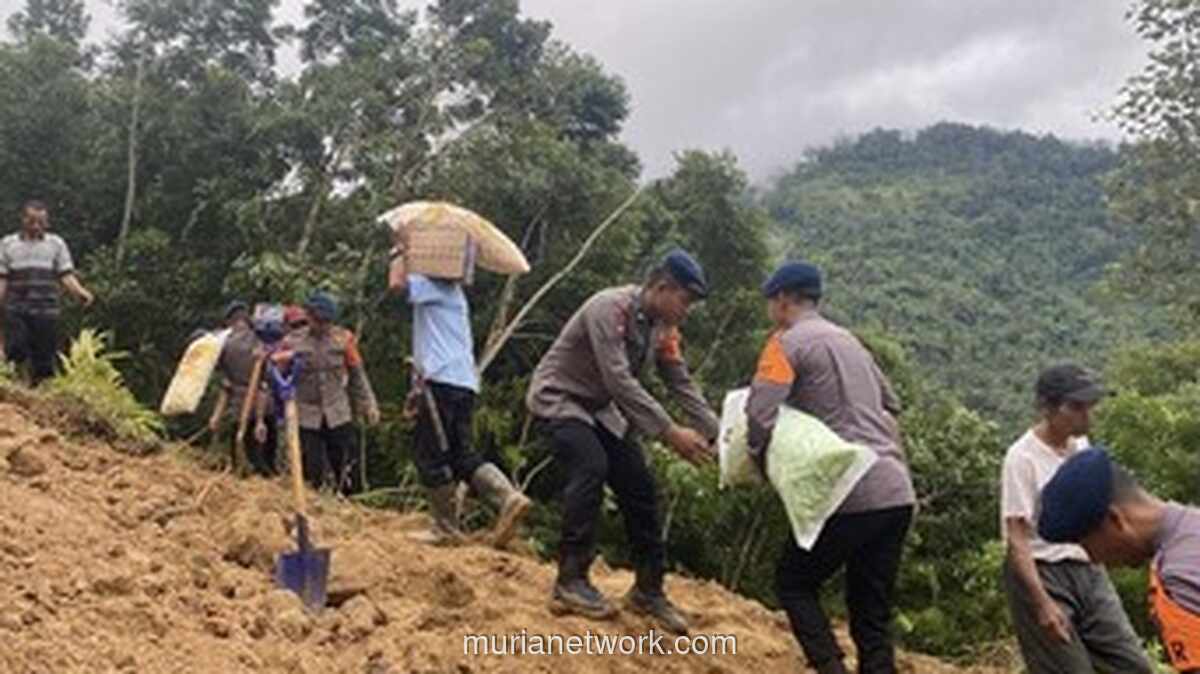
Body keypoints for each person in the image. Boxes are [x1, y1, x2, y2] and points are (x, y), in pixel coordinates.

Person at [526, 249, 719, 635]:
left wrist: (718, 433)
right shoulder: (609, 309)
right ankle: (570, 580)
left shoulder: (664, 329)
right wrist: (669, 432)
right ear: (662, 287)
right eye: (686, 300)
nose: (688, 310)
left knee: (640, 487)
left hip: (600, 411)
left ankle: (649, 591)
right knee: (591, 465)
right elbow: (619, 380)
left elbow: (679, 381)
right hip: (560, 399)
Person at [744, 261, 915, 674]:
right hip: (896, 491)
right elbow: (891, 404)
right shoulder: (851, 342)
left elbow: (760, 413)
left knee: (794, 581)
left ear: (783, 299)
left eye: (771, 301)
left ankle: (830, 667)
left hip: (847, 488)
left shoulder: (784, 343)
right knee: (871, 609)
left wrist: (757, 461)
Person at [1000, 364, 1152, 674]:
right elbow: (1017, 538)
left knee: (1133, 664)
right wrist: (1041, 603)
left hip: (1088, 570)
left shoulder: (1082, 448)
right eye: (1076, 407)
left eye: (1089, 406)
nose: (1087, 415)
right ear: (1048, 408)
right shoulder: (1022, 458)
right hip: (1044, 572)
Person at [387, 227, 531, 547]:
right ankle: (507, 497)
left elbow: (396, 283)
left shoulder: (433, 287)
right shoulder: (454, 294)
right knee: (460, 452)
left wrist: (399, 250)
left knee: (430, 455)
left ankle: (445, 528)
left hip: (440, 382)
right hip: (462, 382)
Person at [1040, 447, 1200, 673]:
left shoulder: (1177, 579)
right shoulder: (1193, 525)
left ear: (1115, 520)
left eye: (1088, 546)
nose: (1095, 560)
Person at [274, 291, 380, 493]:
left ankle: (351, 504)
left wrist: (369, 404)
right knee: (311, 471)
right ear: (309, 317)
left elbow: (358, 375)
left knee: (347, 468)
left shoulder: (344, 340)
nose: (322, 326)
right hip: (306, 415)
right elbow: (277, 378)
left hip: (337, 412)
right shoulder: (291, 342)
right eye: (318, 320)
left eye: (326, 322)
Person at [0, 200, 94, 385]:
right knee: (15, 349)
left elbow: (65, 275)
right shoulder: (7, 244)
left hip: (46, 310)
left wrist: (80, 292)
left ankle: (39, 391)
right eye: (32, 221)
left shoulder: (56, 244)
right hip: (16, 307)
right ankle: (15, 386)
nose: (36, 226)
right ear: (23, 219)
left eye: (41, 221)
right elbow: (2, 278)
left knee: (44, 356)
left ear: (47, 222)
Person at [207, 300, 276, 476]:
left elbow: (226, 385)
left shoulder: (225, 343)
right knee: (264, 461)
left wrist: (217, 415)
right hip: (262, 407)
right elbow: (264, 384)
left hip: (244, 408)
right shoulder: (262, 338)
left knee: (247, 460)